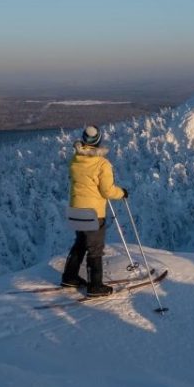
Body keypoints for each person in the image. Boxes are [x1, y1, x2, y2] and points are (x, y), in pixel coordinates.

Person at [61, 125, 128, 296]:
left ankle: (69, 277)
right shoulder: (102, 164)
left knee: (80, 243)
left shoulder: (75, 160)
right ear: (98, 141)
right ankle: (95, 286)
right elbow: (107, 191)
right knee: (95, 248)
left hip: (75, 210)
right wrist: (122, 193)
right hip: (93, 214)